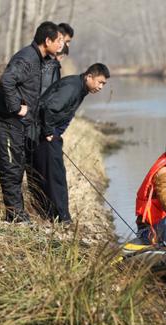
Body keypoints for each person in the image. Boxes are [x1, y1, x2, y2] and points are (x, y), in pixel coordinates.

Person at [0, 21, 63, 222]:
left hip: (16, 125)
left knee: (17, 167)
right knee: (11, 170)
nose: (61, 46)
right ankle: (16, 217)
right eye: (59, 41)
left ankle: (15, 215)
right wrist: (16, 108)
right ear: (47, 40)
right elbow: (7, 81)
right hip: (4, 121)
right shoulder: (28, 58)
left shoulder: (39, 59)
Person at [31, 63, 110, 223]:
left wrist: (56, 134)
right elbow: (49, 108)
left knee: (48, 175)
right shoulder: (73, 87)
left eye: (104, 84)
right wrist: (48, 133)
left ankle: (50, 216)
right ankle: (62, 218)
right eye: (99, 82)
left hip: (47, 133)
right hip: (42, 133)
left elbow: (63, 113)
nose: (101, 87)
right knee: (55, 176)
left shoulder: (80, 88)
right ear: (89, 76)